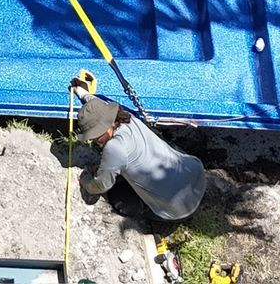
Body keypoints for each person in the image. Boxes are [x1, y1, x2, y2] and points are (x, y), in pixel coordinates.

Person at [71, 75, 207, 222]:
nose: (96, 140)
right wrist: (82, 92)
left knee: (118, 198)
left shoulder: (114, 148)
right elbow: (99, 106)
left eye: (98, 134)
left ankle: (153, 214)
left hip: (177, 211)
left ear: (109, 124)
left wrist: (85, 180)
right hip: (197, 176)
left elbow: (101, 185)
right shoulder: (127, 117)